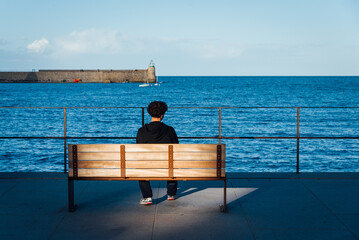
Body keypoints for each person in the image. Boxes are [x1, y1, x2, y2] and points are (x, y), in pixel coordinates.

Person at [136, 101, 179, 205]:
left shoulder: (141, 131)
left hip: (147, 166)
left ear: (150, 114)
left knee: (140, 165)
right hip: (166, 166)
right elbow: (177, 148)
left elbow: (138, 151)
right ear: (162, 115)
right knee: (173, 162)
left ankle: (147, 197)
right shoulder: (170, 130)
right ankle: (171, 194)